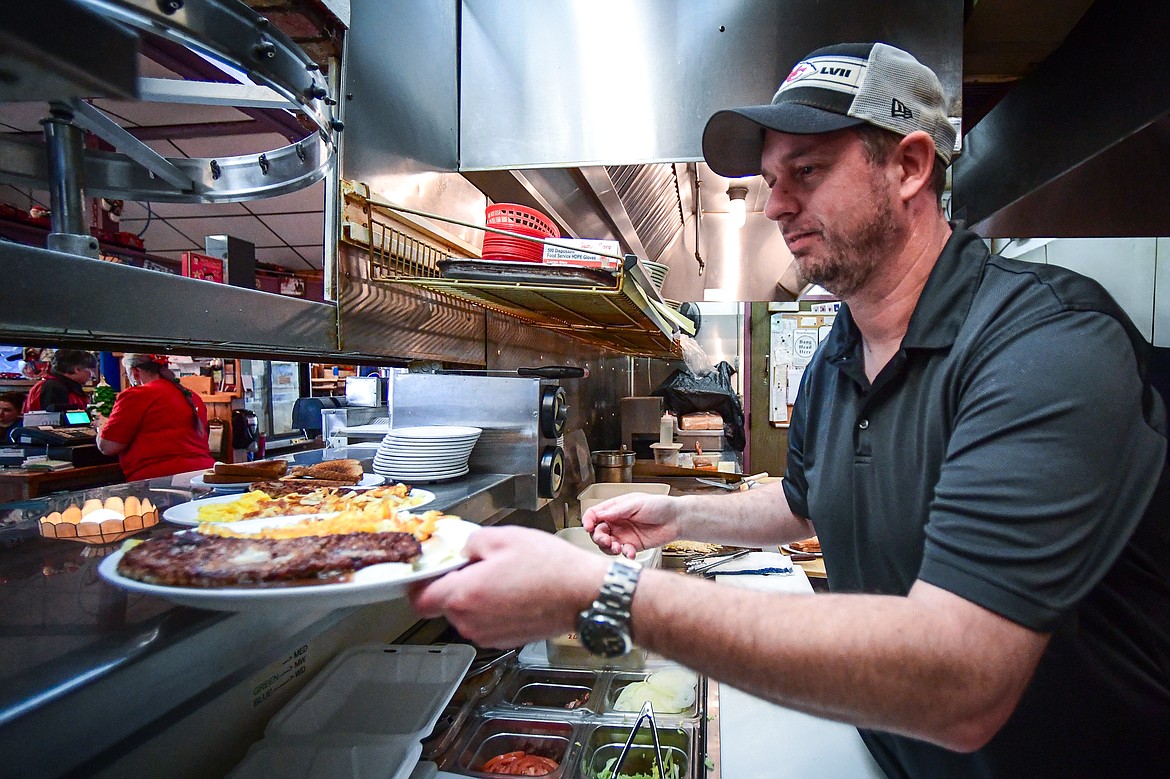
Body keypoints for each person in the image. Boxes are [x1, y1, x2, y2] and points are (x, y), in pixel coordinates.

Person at [411, 42, 1170, 777]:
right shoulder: (842, 352)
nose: (775, 205)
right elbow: (806, 499)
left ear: (909, 166)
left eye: (805, 171)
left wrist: (602, 592)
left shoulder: (1044, 350)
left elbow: (960, 678)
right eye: (772, 178)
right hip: (893, 752)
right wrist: (679, 519)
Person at [94, 353, 214, 481]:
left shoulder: (136, 395)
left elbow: (107, 447)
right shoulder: (192, 396)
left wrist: (102, 425)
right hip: (203, 475)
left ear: (135, 372)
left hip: (160, 480)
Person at [22, 349, 96, 412]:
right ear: (77, 369)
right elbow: (58, 423)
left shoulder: (61, 386)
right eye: (91, 371)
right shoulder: (54, 388)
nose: (93, 375)